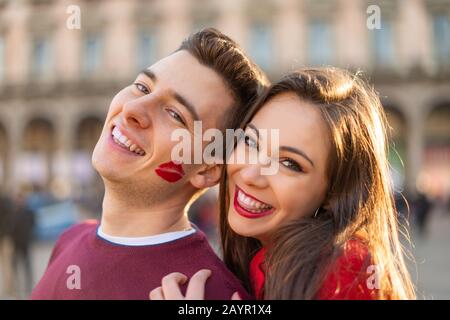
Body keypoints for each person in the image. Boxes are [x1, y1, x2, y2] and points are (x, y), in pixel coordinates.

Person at [31, 28, 268, 300]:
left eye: (175, 114)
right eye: (142, 86)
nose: (133, 109)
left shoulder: (212, 296)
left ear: (207, 169)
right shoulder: (69, 239)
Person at [150, 67, 416, 300]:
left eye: (289, 163)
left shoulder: (345, 267)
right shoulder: (266, 260)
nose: (251, 174)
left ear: (333, 192)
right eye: (250, 142)